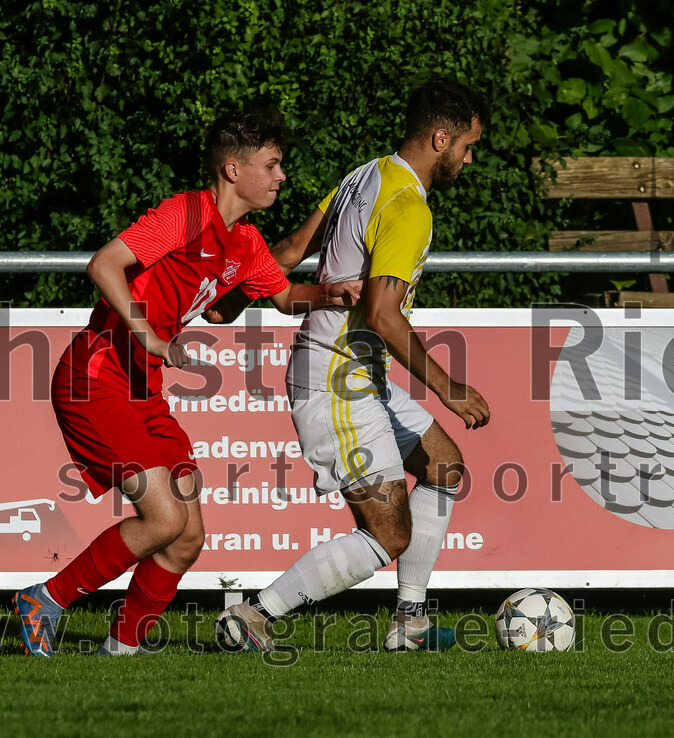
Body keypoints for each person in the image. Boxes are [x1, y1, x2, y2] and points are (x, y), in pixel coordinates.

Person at [12, 107, 361, 657]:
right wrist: (150, 335)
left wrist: (333, 293)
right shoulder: (184, 215)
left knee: (187, 536)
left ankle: (121, 648)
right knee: (165, 516)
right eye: (272, 165)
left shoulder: (244, 244)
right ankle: (46, 599)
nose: (281, 176)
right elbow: (104, 265)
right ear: (232, 169)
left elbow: (286, 296)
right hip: (94, 379)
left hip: (141, 391)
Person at [212, 80, 491, 652]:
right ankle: (253, 614)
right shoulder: (408, 207)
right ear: (441, 137)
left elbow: (288, 251)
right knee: (388, 533)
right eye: (467, 146)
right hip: (338, 377)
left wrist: (230, 298)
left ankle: (409, 624)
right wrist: (449, 388)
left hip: (360, 374)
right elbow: (384, 316)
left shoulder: (365, 174)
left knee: (443, 465)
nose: (469, 158)